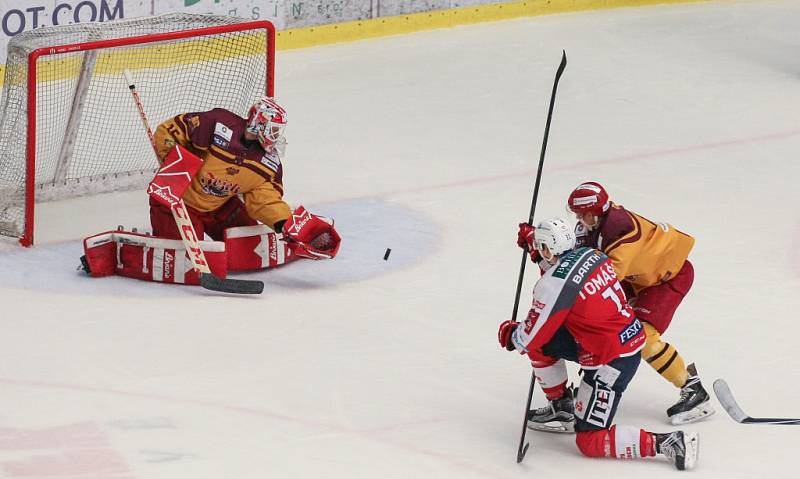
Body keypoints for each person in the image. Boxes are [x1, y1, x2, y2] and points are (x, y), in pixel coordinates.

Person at [499, 218, 699, 470]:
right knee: (547, 341)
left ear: (549, 248)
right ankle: (562, 407)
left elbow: (529, 338)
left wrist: (512, 335)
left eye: (542, 247)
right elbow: (563, 276)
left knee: (589, 440)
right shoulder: (593, 255)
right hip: (616, 341)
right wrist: (535, 247)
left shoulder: (553, 285)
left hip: (612, 360)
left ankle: (669, 442)